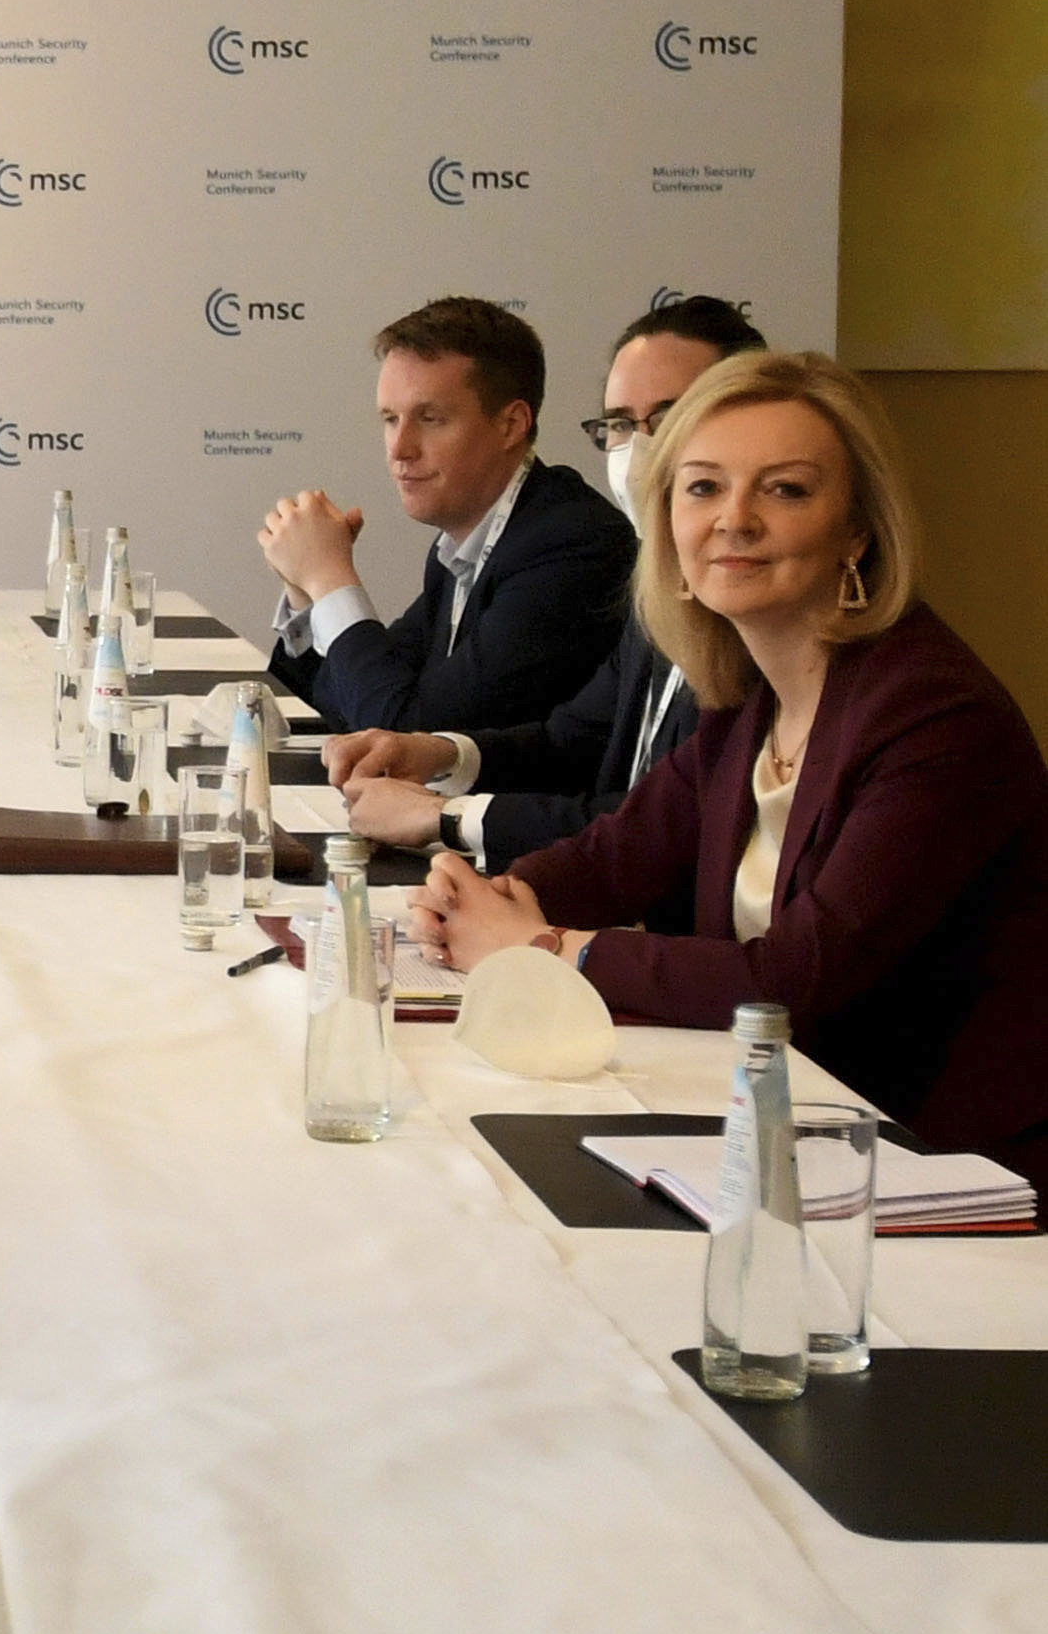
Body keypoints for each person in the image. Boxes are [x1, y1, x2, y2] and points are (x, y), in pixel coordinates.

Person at [414, 353, 1048, 1182]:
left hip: (938, 1172)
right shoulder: (749, 700)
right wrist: (483, 896)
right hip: (778, 1131)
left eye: (784, 489)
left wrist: (541, 944)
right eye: (703, 487)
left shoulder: (934, 716)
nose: (733, 519)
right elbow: (615, 856)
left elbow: (794, 979)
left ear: (857, 529)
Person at [330, 294, 767, 861]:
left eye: (666, 418)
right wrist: (440, 754)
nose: (637, 449)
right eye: (619, 424)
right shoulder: (659, 588)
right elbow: (573, 741)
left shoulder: (579, 545)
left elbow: (665, 828)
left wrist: (445, 817)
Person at [257, 295, 632, 734]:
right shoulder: (463, 541)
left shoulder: (572, 546)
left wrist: (330, 579)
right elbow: (340, 702)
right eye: (390, 419)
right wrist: (307, 594)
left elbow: (413, 735)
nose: (399, 449)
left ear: (511, 425)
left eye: (430, 418)